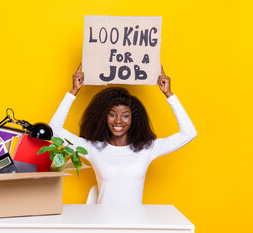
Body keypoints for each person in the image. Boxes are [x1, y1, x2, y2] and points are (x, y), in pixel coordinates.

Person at [49, 63, 197, 205]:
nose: (118, 121)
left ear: (134, 119)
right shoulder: (93, 147)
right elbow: (54, 130)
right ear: (103, 117)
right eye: (112, 115)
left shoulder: (147, 148)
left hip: (135, 224)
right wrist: (74, 91)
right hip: (103, 224)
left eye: (125, 116)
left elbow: (188, 133)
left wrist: (169, 94)